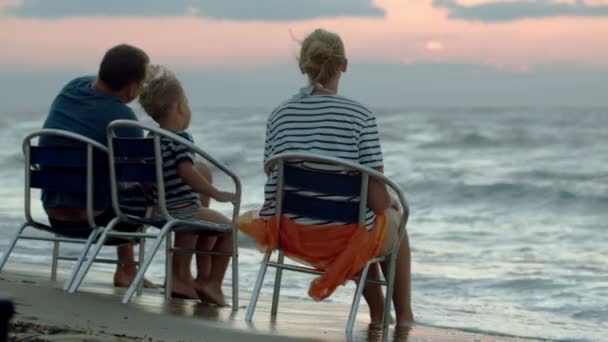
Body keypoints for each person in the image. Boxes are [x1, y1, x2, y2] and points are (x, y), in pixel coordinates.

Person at [238, 29, 414, 327]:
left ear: (302, 66)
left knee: (359, 224)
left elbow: (273, 175)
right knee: (387, 223)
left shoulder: (278, 115)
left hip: (287, 231)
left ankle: (378, 313)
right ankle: (405, 318)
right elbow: (377, 200)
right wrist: (392, 205)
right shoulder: (360, 116)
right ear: (344, 64)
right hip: (342, 236)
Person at [40, 44, 154, 288]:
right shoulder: (122, 119)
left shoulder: (72, 88)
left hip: (53, 214)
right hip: (97, 221)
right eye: (141, 83)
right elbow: (145, 176)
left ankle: (128, 270)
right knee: (146, 189)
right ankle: (132, 270)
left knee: (117, 181)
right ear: (132, 86)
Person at [138, 65, 234, 306]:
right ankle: (211, 283)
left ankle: (203, 279)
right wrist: (215, 192)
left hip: (160, 211)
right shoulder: (181, 138)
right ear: (179, 106)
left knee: (208, 226)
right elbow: (186, 170)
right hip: (183, 210)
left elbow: (144, 179)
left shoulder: (151, 140)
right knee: (229, 230)